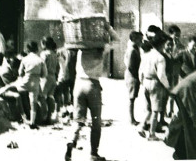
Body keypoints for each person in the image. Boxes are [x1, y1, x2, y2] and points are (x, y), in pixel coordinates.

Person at [65, 24, 119, 161]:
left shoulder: (81, 50)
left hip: (79, 85)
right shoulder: (101, 50)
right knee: (96, 122)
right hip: (93, 85)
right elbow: (117, 40)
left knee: (78, 120)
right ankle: (93, 154)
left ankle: (72, 141)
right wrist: (107, 27)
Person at [139, 31, 171, 140]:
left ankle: (141, 126)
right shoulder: (160, 58)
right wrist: (168, 87)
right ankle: (151, 134)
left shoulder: (146, 55)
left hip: (146, 82)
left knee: (148, 109)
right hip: (156, 84)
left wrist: (142, 82)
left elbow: (140, 71)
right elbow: (161, 75)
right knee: (155, 111)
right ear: (162, 44)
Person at [165, 69, 196, 159]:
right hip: (186, 91)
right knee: (191, 123)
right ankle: (190, 156)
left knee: (185, 120)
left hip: (185, 89)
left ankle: (179, 149)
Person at [18, 41, 47, 129]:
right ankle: (32, 122)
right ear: (37, 49)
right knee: (33, 103)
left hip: (26, 80)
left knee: (18, 93)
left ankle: (22, 115)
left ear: (27, 49)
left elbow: (20, 72)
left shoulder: (24, 59)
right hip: (35, 81)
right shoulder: (40, 60)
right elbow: (44, 74)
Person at [124, 31, 143, 125]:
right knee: (131, 98)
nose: (141, 41)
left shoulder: (133, 48)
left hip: (132, 76)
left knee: (132, 98)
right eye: (140, 40)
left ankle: (132, 118)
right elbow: (130, 66)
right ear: (134, 40)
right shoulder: (132, 50)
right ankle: (131, 119)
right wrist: (138, 75)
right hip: (132, 76)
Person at [40, 36, 59, 123]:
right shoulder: (55, 54)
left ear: (44, 44)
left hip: (45, 77)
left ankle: (43, 116)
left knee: (42, 97)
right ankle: (49, 117)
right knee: (50, 97)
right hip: (53, 77)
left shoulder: (44, 54)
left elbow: (42, 65)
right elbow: (58, 67)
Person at [168, 25, 185, 117]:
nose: (177, 37)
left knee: (176, 91)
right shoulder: (167, 45)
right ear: (170, 35)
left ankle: (173, 111)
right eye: (175, 35)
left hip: (177, 72)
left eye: (179, 35)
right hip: (168, 72)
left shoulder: (181, 46)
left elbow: (183, 60)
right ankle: (168, 111)